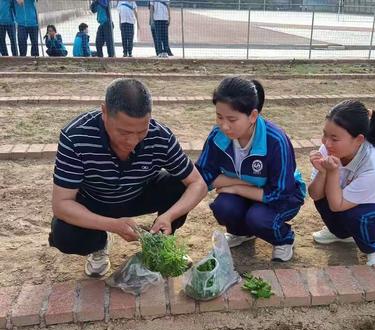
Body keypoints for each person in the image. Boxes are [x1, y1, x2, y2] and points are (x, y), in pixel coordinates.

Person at [49, 79, 207, 277]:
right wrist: (112, 225)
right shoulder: (76, 136)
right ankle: (99, 245)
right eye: (123, 132)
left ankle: (160, 241)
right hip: (94, 202)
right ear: (104, 112)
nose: (132, 141)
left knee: (178, 185)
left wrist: (169, 216)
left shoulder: (161, 136)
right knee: (65, 234)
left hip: (137, 195)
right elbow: (61, 203)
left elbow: (198, 184)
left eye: (141, 132)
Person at [195, 77, 306, 262]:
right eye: (219, 117)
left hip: (282, 198)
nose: (224, 125)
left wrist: (235, 188)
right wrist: (242, 182)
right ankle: (241, 233)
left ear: (253, 116)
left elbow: (280, 192)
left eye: (232, 119)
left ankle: (284, 239)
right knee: (223, 207)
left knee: (258, 219)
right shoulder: (218, 136)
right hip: (255, 192)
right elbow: (204, 175)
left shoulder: (275, 140)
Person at [308, 99, 375, 266]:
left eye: (334, 138)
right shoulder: (329, 148)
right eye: (325, 134)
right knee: (323, 198)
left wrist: (332, 172)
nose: (326, 143)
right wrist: (323, 173)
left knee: (357, 215)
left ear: (359, 139)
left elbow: (337, 205)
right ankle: (341, 234)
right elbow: (315, 194)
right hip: (351, 197)